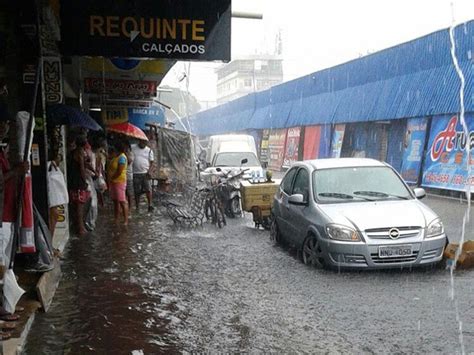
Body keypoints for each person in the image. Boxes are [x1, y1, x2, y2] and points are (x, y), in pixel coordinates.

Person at [67, 135, 90, 236]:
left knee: (76, 204)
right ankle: (80, 228)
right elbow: (81, 167)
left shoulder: (72, 152)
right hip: (78, 182)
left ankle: (79, 226)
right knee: (80, 205)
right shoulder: (79, 152)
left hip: (73, 180)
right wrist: (84, 180)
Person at [107, 141, 129, 225]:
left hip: (119, 181)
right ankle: (116, 218)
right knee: (115, 201)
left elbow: (119, 171)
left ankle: (125, 220)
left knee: (122, 201)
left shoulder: (122, 157)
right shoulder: (116, 156)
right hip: (114, 182)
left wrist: (112, 177)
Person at [131, 139, 154, 211]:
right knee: (136, 191)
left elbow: (152, 163)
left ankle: (150, 205)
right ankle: (137, 206)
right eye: (142, 142)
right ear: (139, 141)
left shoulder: (149, 150)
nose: (143, 143)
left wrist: (150, 171)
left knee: (148, 190)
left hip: (145, 173)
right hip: (135, 173)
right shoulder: (133, 147)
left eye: (145, 142)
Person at [125, 142, 134, 210]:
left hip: (128, 176)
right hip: (122, 176)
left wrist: (126, 153)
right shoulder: (121, 154)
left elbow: (129, 161)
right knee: (124, 193)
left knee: (129, 193)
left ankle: (130, 207)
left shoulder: (131, 154)